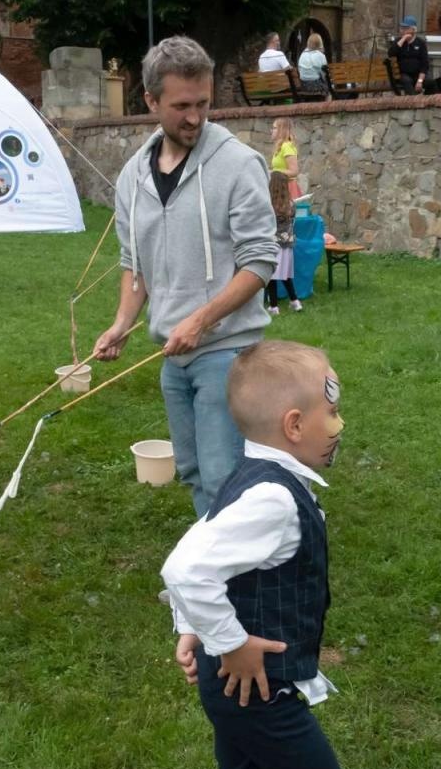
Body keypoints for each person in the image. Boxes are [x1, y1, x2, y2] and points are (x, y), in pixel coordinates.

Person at [151, 340, 409, 769]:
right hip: (255, 687)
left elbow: (193, 548)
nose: (340, 427)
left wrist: (191, 629)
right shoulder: (272, 500)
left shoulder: (251, 477)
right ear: (296, 425)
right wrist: (225, 641)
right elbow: (186, 568)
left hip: (233, 683)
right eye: (335, 414)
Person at [94, 36, 279, 517]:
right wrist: (121, 324)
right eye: (180, 106)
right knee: (195, 470)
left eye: (203, 103)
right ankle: (211, 579)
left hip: (226, 353)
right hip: (171, 355)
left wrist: (201, 320)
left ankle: (230, 584)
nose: (195, 117)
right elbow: (134, 262)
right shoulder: (133, 175)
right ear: (151, 100)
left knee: (223, 476)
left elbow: (260, 261)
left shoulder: (239, 165)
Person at [265, 171, 298, 315]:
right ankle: (295, 302)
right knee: (285, 274)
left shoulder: (269, 204)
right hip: (287, 245)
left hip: (273, 244)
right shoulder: (290, 204)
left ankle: (274, 307)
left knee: (271, 276)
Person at [390, 16, 430, 95]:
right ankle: (413, 103)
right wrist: (403, 39)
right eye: (402, 28)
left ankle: (431, 102)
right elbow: (391, 53)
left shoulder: (420, 43)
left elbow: (425, 64)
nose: (403, 30)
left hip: (417, 74)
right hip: (402, 74)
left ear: (413, 30)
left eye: (406, 28)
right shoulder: (398, 41)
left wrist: (420, 81)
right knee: (407, 81)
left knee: (431, 82)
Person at [269, 117, 300, 193]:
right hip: (279, 187)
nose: (271, 131)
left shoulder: (287, 146)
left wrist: (273, 172)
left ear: (282, 130)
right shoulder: (280, 146)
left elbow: (294, 172)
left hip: (287, 189)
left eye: (274, 128)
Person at [296, 34, 330, 98]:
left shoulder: (302, 55)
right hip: (316, 86)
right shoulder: (320, 55)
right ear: (320, 44)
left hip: (303, 87)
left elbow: (299, 69)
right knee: (329, 91)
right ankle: (328, 106)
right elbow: (324, 74)